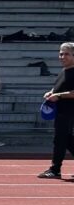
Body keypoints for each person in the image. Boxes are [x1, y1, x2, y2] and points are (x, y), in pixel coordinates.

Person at [38, 42, 74, 179]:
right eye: (61, 54)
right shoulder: (64, 71)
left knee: (60, 139)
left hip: (69, 111)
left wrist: (58, 96)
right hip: (61, 110)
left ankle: (55, 169)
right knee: (67, 139)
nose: (62, 57)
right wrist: (51, 92)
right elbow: (59, 87)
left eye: (66, 54)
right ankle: (55, 169)